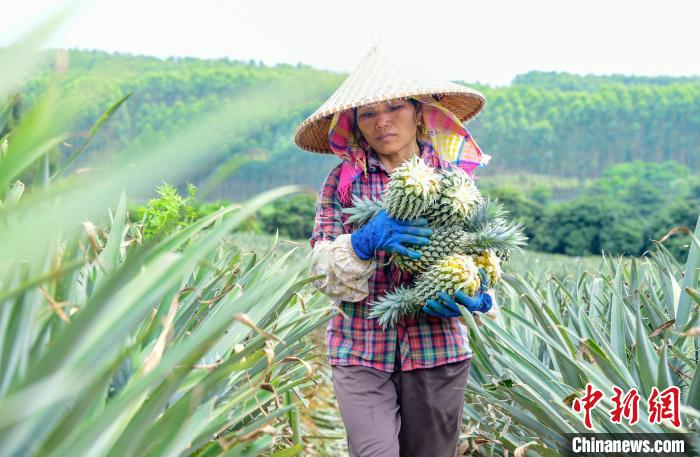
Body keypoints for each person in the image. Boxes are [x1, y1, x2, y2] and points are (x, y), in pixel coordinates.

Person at [294, 49, 497, 457]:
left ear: (420, 112)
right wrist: (363, 242)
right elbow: (319, 270)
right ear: (354, 125)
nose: (383, 121)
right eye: (368, 114)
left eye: (394, 107)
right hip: (360, 347)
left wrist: (479, 296)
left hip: (437, 350)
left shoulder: (455, 183)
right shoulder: (343, 182)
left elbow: (484, 259)